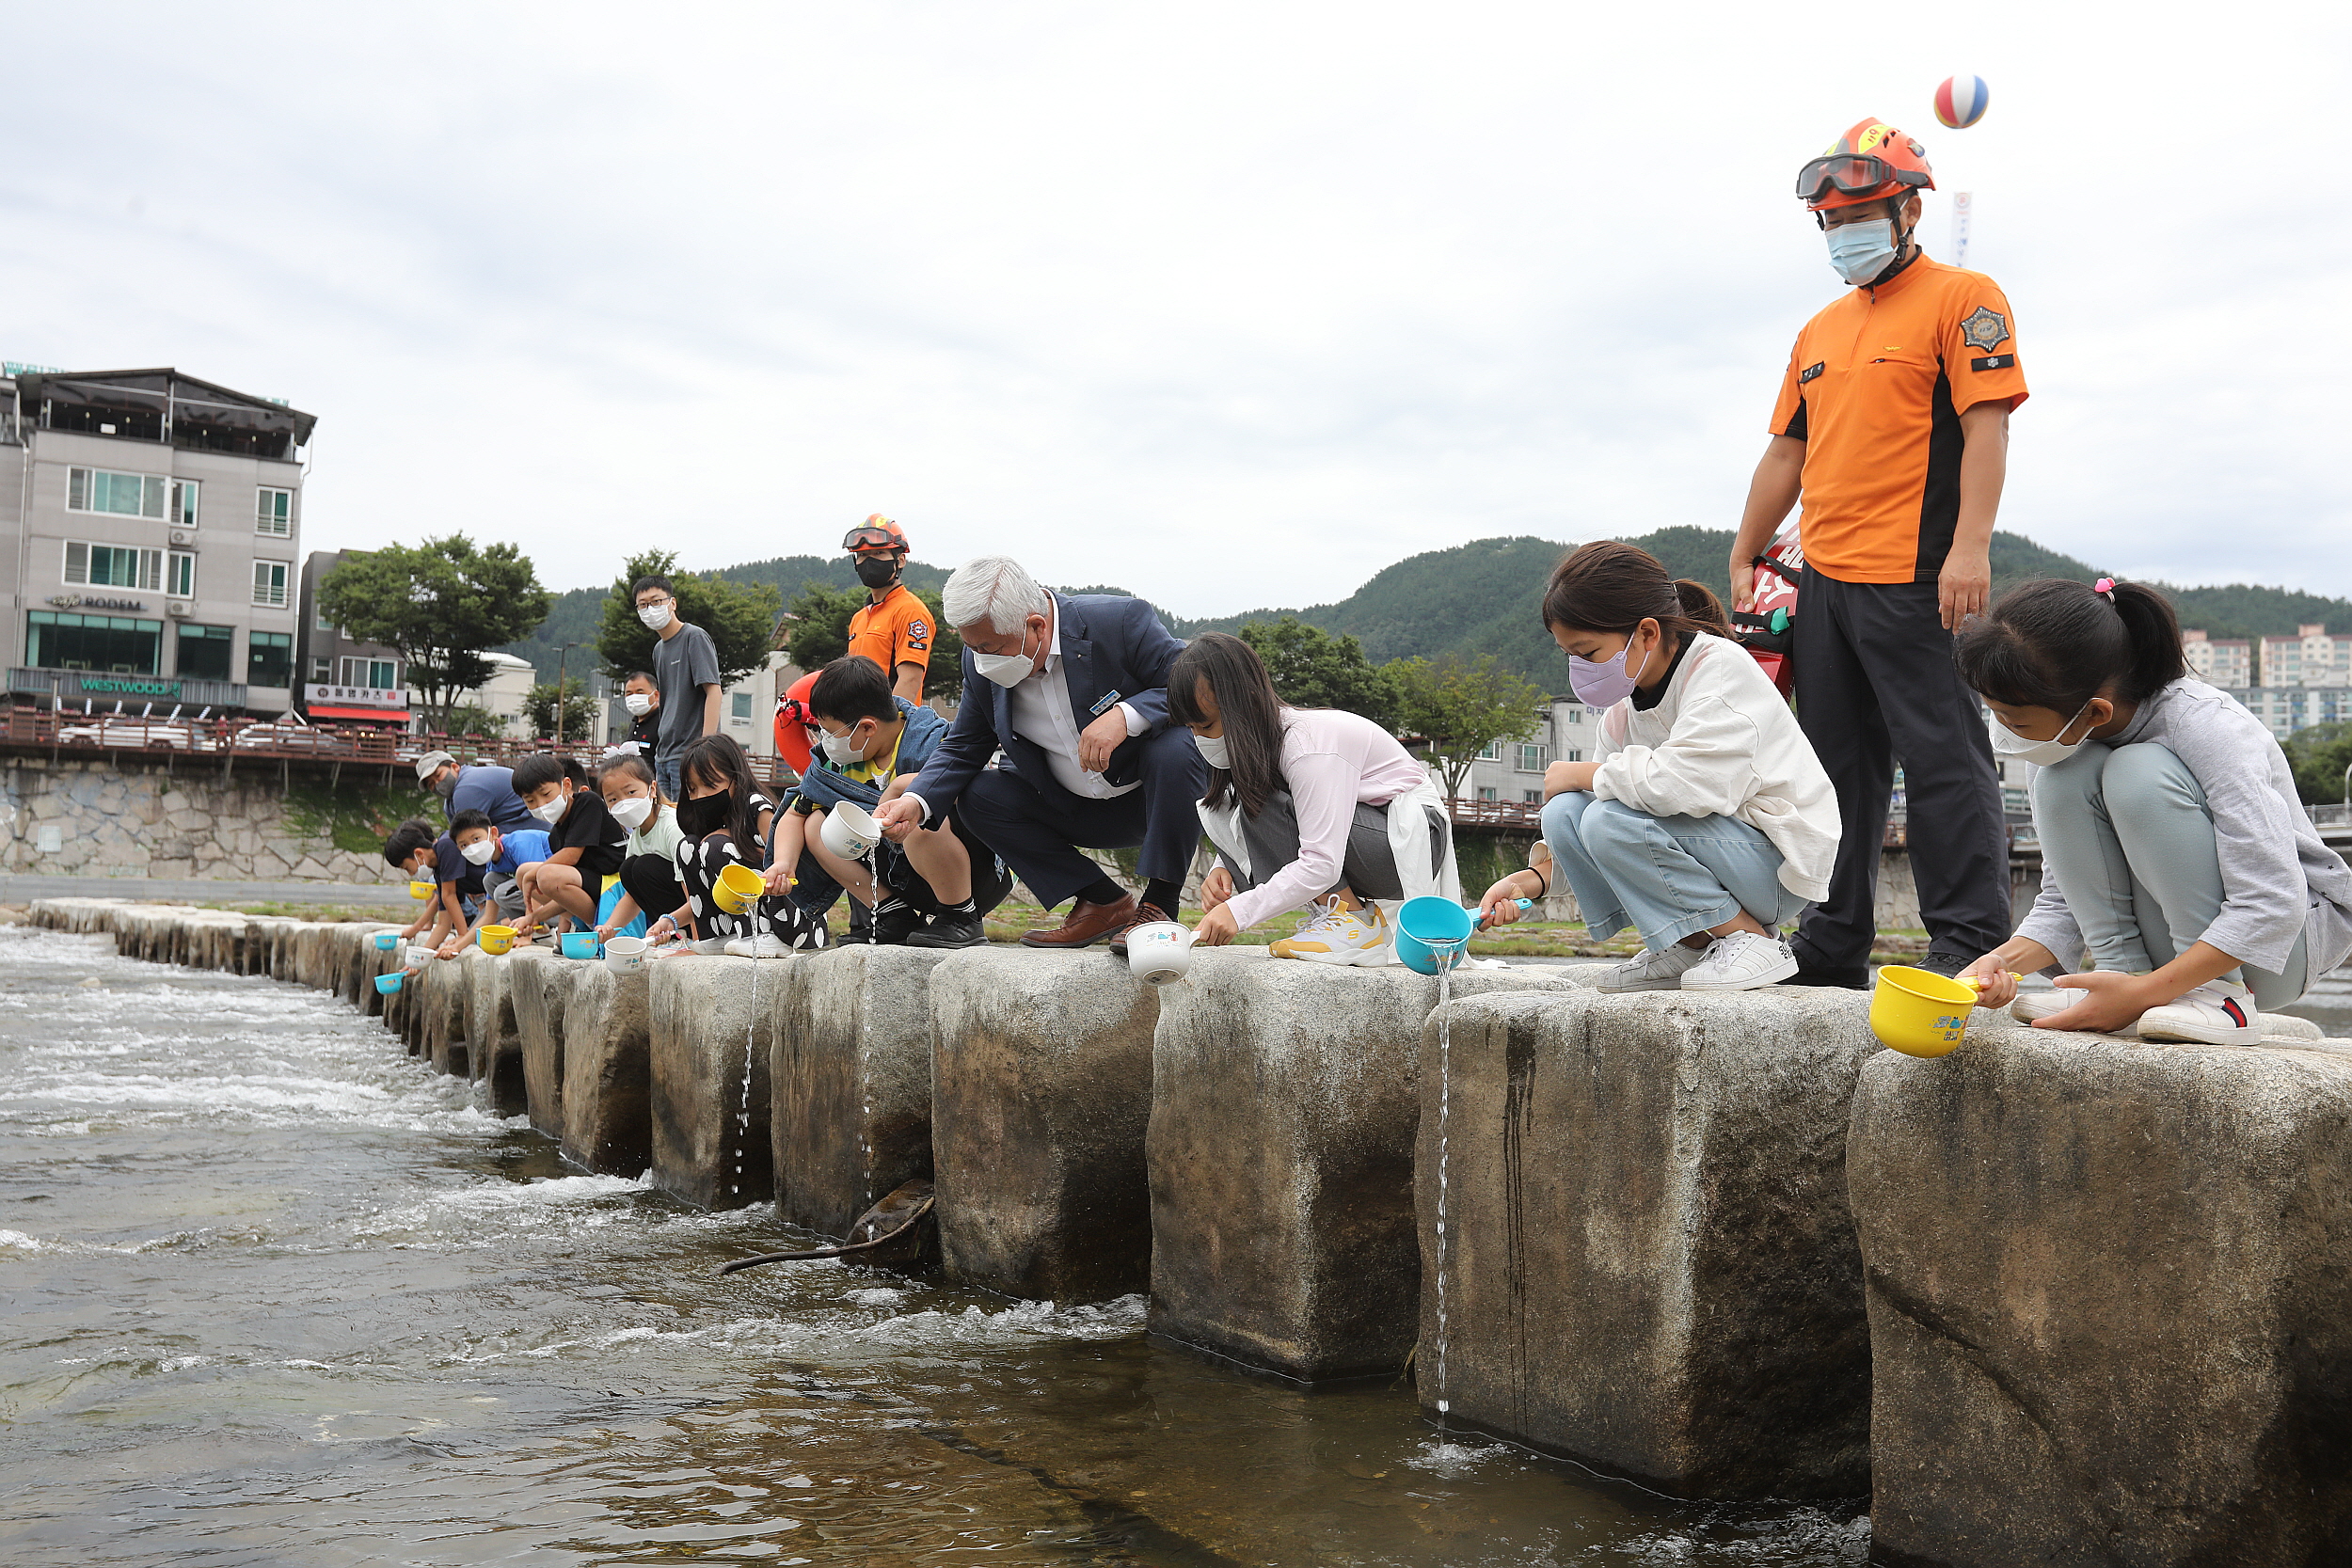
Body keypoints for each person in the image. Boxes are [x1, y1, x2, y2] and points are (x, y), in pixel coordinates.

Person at [1727, 117, 2026, 988]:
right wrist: (1746, 551)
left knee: (1941, 757)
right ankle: (1830, 944)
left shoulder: (1964, 297)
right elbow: (1787, 449)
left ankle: (1967, 939)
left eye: (1861, 212)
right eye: (1831, 218)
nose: (1843, 232)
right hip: (1822, 576)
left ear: (1906, 212)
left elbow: (1987, 427)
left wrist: (1969, 551)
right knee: (1831, 772)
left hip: (1921, 572)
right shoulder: (1818, 330)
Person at [1953, 578, 2352, 1044]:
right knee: (2066, 775)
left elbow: (2271, 901)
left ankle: (2219, 998)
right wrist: (2002, 963)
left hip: (2276, 951)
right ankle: (2118, 975)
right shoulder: (2063, 745)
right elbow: (2068, 896)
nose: (2003, 732)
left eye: (2013, 719)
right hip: (2172, 954)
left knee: (2136, 770)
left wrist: (2143, 994)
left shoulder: (2207, 727)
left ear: (2096, 712)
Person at [1477, 542, 1841, 992]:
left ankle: (1752, 940)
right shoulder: (1623, 708)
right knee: (1565, 813)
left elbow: (1687, 784)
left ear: (1647, 633)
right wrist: (1529, 881)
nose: (1580, 668)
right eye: (1569, 655)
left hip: (1776, 867)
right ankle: (1688, 944)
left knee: (1603, 811)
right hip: (1720, 852)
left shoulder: (1719, 671)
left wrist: (1586, 773)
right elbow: (1592, 830)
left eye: (1587, 653)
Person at [870, 557, 1207, 953]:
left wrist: (1125, 716)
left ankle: (1159, 904)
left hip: (1147, 800)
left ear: (1036, 626)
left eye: (990, 648)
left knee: (1178, 747)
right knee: (978, 794)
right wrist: (915, 801)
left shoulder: (1118, 621)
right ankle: (1101, 900)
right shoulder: (980, 665)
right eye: (972, 647)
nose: (982, 660)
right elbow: (964, 745)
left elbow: (1193, 687)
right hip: (1066, 805)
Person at [1171, 632, 1456, 964]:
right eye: (1191, 729)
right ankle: (1340, 916)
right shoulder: (1264, 746)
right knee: (1253, 800)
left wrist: (1239, 911)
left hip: (1412, 838)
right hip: (1375, 834)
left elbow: (1322, 861)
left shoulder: (1306, 747)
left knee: (1262, 802)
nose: (1199, 739)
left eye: (1206, 725)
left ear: (1244, 701)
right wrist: (1225, 864)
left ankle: (1352, 921)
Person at [767, 655, 1010, 949]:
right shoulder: (840, 763)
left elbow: (973, 787)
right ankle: (893, 914)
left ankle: (961, 918)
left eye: (831, 732)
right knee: (817, 823)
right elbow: (796, 814)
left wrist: (903, 789)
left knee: (918, 810)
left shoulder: (932, 741)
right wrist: (784, 862)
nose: (825, 741)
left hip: (973, 877)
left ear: (867, 727)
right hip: (904, 878)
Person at [653, 733, 826, 958]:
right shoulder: (717, 822)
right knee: (688, 847)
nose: (700, 796)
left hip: (794, 921)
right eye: (692, 789)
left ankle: (761, 934)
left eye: (709, 784)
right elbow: (718, 891)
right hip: (753, 912)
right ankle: (718, 934)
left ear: (735, 777)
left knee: (715, 846)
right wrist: (672, 919)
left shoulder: (756, 807)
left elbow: (788, 863)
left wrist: (734, 839)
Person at [510, 753, 629, 934]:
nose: (541, 805)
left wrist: (532, 876)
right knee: (524, 872)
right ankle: (590, 925)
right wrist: (533, 918)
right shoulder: (554, 836)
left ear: (566, 785)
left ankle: (601, 927)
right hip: (595, 890)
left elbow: (572, 856)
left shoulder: (588, 802)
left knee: (541, 874)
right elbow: (564, 896)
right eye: (531, 801)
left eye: (545, 794)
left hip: (618, 886)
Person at [634, 574, 722, 801]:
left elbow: (713, 691)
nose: (650, 609)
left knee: (691, 823)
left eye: (656, 601)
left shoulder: (694, 637)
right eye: (643, 605)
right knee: (670, 826)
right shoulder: (658, 650)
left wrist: (706, 748)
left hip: (690, 753)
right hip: (663, 755)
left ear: (672, 603)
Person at [593, 753, 688, 942]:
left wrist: (695, 938)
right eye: (613, 799)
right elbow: (633, 895)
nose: (623, 803)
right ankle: (675, 935)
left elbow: (695, 892)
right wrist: (609, 927)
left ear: (652, 789)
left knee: (643, 866)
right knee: (629, 869)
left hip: (697, 910)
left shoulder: (672, 826)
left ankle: (690, 936)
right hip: (671, 919)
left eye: (630, 793)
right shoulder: (636, 837)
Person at [842, 515, 933, 705]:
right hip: (859, 727)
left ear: (900, 560)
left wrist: (884, 728)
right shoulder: (859, 618)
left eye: (879, 553)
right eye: (862, 555)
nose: (869, 561)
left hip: (891, 729)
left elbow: (910, 679)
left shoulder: (910, 610)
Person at [438, 810, 553, 955]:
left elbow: (536, 881)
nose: (472, 848)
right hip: (545, 900)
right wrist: (457, 947)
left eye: (476, 839)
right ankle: (536, 930)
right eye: (464, 845)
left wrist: (527, 936)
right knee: (490, 880)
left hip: (564, 895)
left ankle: (536, 932)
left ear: (493, 832)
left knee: (502, 891)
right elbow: (489, 916)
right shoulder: (492, 865)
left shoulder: (519, 843)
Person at [383, 817, 476, 952]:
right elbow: (443, 924)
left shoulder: (446, 846)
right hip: (494, 900)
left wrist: (463, 936)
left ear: (419, 854)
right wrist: (419, 959)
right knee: (476, 933)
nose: (411, 873)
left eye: (407, 867)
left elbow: (448, 895)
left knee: (479, 934)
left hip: (503, 896)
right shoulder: (437, 868)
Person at [414, 751, 532, 832]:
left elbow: (470, 835)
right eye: (431, 784)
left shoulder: (466, 788)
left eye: (438, 775)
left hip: (530, 824)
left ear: (455, 767)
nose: (437, 784)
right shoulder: (450, 802)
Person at [619, 672, 660, 757]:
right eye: (629, 693)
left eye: (640, 693)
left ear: (656, 695)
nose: (634, 697)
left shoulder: (664, 722)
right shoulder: (634, 723)